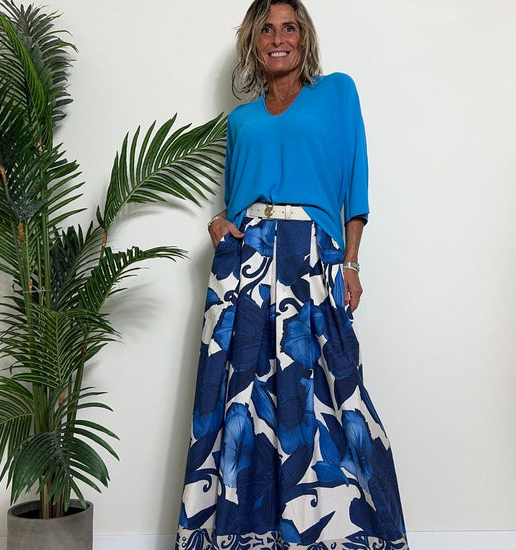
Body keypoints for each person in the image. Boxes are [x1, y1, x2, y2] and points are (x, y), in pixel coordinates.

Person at [175, 1, 409, 549]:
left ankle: (347, 534)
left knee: (335, 394)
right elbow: (235, 200)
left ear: (303, 38)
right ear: (252, 43)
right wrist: (218, 224)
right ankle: (244, 535)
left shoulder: (337, 94)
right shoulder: (241, 120)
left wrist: (350, 263)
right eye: (266, 29)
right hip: (246, 264)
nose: (278, 38)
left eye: (289, 27)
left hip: (312, 259)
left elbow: (354, 186)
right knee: (241, 401)